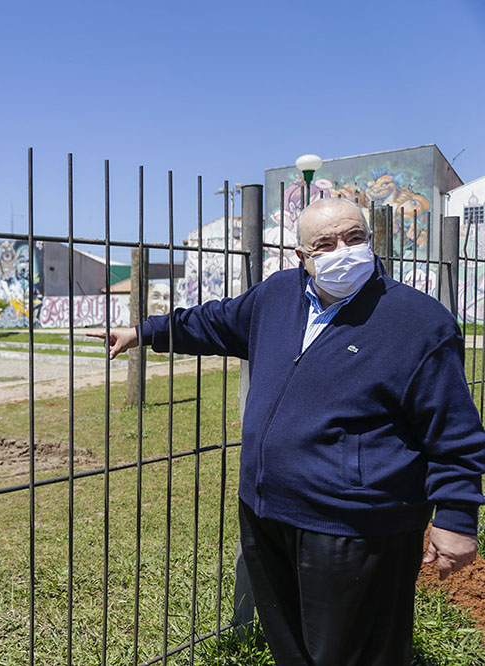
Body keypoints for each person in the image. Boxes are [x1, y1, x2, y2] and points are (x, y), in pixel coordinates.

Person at [90, 198, 485, 666]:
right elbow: (216, 321)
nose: (343, 251)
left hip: (356, 525)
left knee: (357, 654)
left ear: (371, 241)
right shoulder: (278, 295)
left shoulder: (417, 321)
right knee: (291, 648)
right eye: (325, 244)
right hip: (267, 512)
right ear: (302, 256)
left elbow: (453, 430)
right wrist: (144, 332)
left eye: (354, 238)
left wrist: (456, 516)